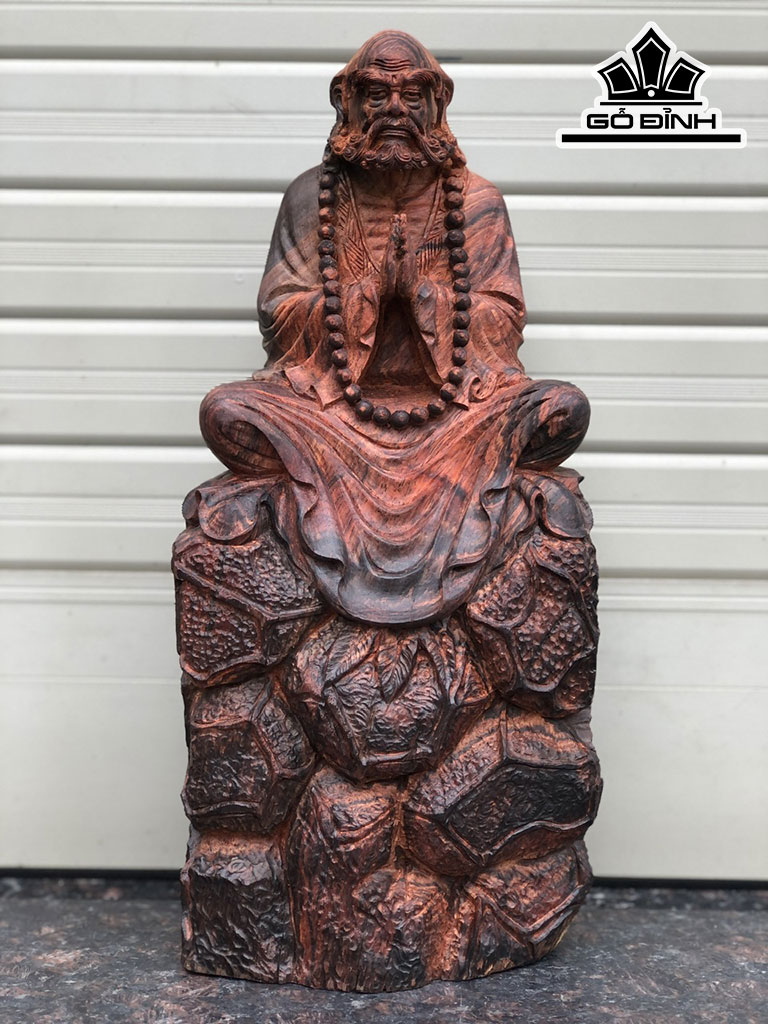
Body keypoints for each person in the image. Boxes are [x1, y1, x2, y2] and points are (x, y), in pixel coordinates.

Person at [195, 30, 591, 623]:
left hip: (454, 413)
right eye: (377, 95)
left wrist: (425, 297)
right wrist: (365, 296)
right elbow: (278, 312)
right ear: (347, 103)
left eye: (411, 96)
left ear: (438, 105)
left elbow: (504, 318)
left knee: (563, 410)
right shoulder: (309, 197)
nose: (395, 111)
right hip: (334, 412)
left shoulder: (476, 202)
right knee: (225, 412)